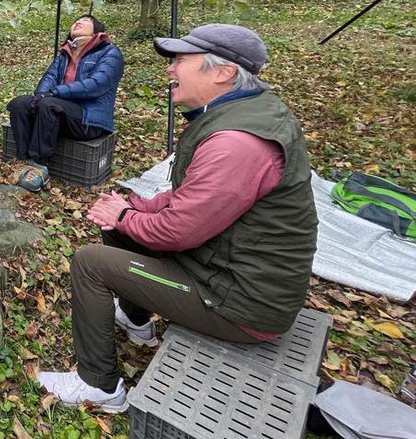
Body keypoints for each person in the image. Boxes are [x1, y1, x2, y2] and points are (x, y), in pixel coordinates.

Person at [38, 24, 318, 413]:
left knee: (90, 264)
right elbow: (195, 199)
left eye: (181, 61)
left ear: (222, 73)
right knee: (125, 218)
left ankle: (99, 385)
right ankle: (136, 320)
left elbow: (178, 231)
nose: (170, 69)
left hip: (236, 302)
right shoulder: (240, 113)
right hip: (222, 268)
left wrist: (125, 215)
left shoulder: (237, 142)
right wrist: (135, 207)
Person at [7, 15, 123, 191]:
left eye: (85, 21)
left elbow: (96, 85)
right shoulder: (65, 54)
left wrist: (53, 93)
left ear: (97, 31)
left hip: (88, 119)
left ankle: (39, 166)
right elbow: (49, 78)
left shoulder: (110, 53)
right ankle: (24, 160)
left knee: (49, 105)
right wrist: (41, 96)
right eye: (76, 20)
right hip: (59, 112)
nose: (78, 22)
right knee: (20, 103)